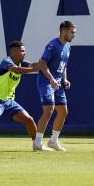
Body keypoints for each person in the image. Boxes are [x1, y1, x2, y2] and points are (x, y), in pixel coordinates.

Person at [34, 21, 76, 152]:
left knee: (63, 111)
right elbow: (42, 64)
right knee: (49, 110)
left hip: (58, 83)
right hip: (46, 81)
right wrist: (51, 79)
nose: (74, 35)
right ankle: (37, 143)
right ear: (64, 31)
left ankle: (53, 141)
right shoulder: (53, 45)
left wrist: (64, 79)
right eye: (72, 32)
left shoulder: (68, 46)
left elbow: (64, 65)